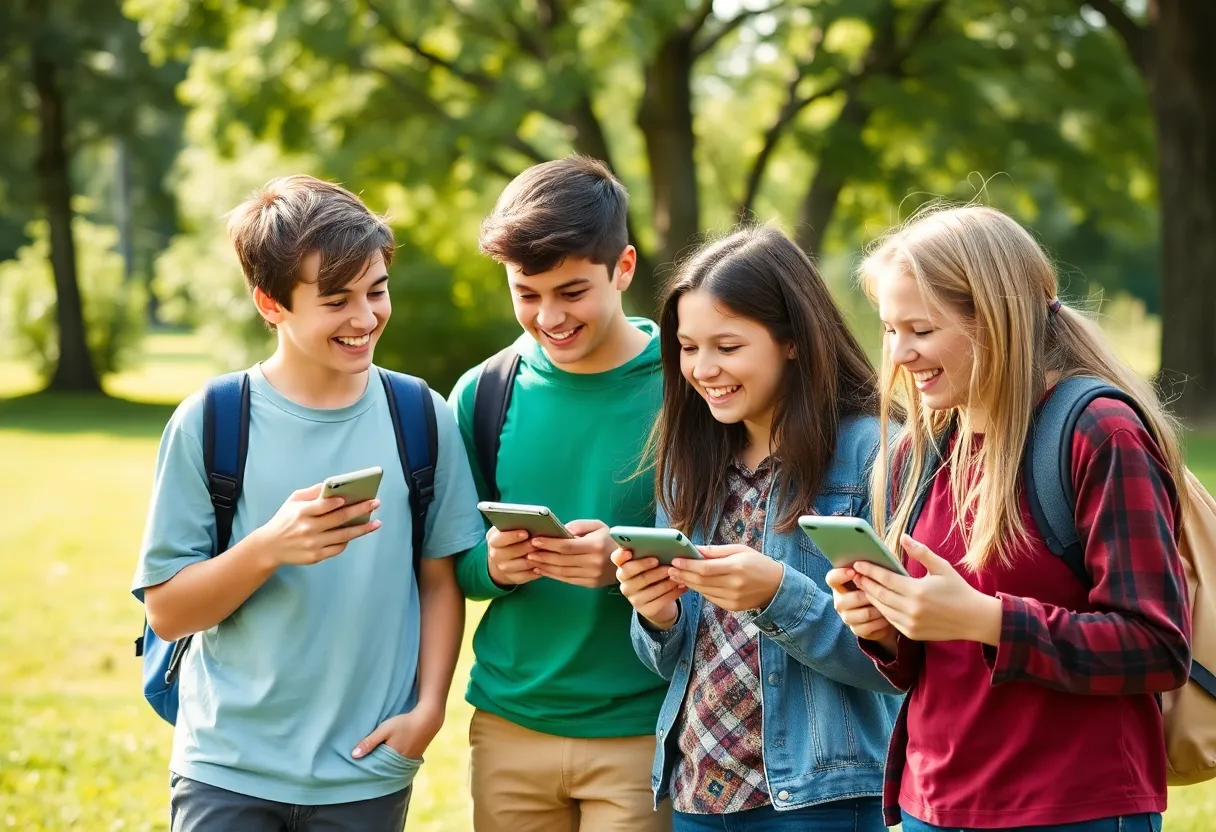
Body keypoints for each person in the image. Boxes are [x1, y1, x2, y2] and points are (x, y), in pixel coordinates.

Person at [131, 175, 484, 831]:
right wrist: (268, 547)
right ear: (271, 305)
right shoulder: (211, 420)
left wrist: (429, 709)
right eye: (336, 300)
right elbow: (170, 612)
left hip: (365, 769)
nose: (365, 317)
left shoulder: (420, 416)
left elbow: (438, 580)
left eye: (377, 291)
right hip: (226, 769)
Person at [830, 204, 1191, 831]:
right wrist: (884, 625)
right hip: (933, 806)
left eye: (920, 329)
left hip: (1073, 807)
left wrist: (987, 618)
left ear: (994, 320)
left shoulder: (1097, 433)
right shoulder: (920, 451)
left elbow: (1156, 647)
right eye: (890, 330)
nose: (901, 354)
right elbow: (932, 662)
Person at [613, 225, 901, 831]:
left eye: (727, 346)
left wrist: (779, 596)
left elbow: (897, 659)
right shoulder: (688, 462)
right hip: (697, 794)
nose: (703, 368)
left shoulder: (873, 455)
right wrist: (655, 616)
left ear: (792, 340)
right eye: (689, 347)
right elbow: (672, 662)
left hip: (818, 801)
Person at [448, 156, 672, 831]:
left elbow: (729, 548)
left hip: (643, 727)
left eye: (572, 291)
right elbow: (449, 563)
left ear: (623, 268)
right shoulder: (483, 394)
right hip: (510, 726)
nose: (549, 316)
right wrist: (492, 565)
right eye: (526, 292)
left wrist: (625, 567)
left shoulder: (688, 391)